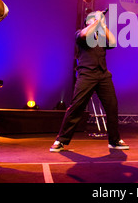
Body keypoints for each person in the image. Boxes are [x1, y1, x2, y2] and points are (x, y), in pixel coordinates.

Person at [50, 10, 129, 152]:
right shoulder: (80, 33)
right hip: (86, 74)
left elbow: (113, 42)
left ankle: (114, 140)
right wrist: (97, 19)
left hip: (103, 74)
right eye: (93, 19)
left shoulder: (100, 35)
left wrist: (103, 25)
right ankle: (60, 140)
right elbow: (85, 34)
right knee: (76, 106)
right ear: (88, 21)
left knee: (112, 106)